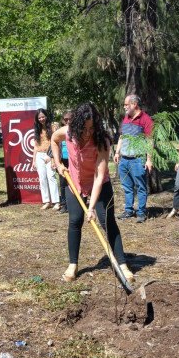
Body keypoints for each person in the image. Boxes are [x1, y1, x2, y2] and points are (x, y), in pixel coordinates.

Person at [51, 101, 134, 283]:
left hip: (99, 184)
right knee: (74, 220)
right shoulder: (68, 133)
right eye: (85, 129)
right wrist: (58, 164)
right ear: (77, 125)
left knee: (107, 222)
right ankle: (73, 264)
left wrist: (92, 207)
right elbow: (54, 140)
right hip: (74, 183)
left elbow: (99, 176)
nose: (88, 133)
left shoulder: (102, 140)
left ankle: (122, 264)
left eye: (92, 128)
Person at [114, 94, 153, 223]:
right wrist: (117, 152)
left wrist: (149, 159)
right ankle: (129, 210)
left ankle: (141, 212)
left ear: (134, 104)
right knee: (127, 186)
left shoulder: (145, 119)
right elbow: (121, 137)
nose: (124, 107)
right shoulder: (126, 118)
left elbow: (150, 141)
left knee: (141, 187)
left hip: (138, 159)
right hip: (124, 159)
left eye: (126, 104)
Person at [32, 108, 60, 210]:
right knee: (42, 178)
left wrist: (52, 157)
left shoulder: (53, 127)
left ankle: (56, 202)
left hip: (49, 155)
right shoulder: (37, 129)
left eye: (43, 116)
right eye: (39, 117)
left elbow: (56, 143)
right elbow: (36, 145)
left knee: (51, 176)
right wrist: (34, 160)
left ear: (46, 116)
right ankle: (47, 201)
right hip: (39, 155)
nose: (41, 119)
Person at [58, 111, 72, 214]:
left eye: (70, 119)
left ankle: (74, 203)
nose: (68, 121)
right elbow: (54, 145)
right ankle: (64, 204)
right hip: (63, 161)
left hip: (73, 161)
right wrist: (55, 161)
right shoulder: (60, 132)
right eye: (66, 119)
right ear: (63, 121)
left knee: (74, 183)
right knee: (63, 183)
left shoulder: (76, 131)